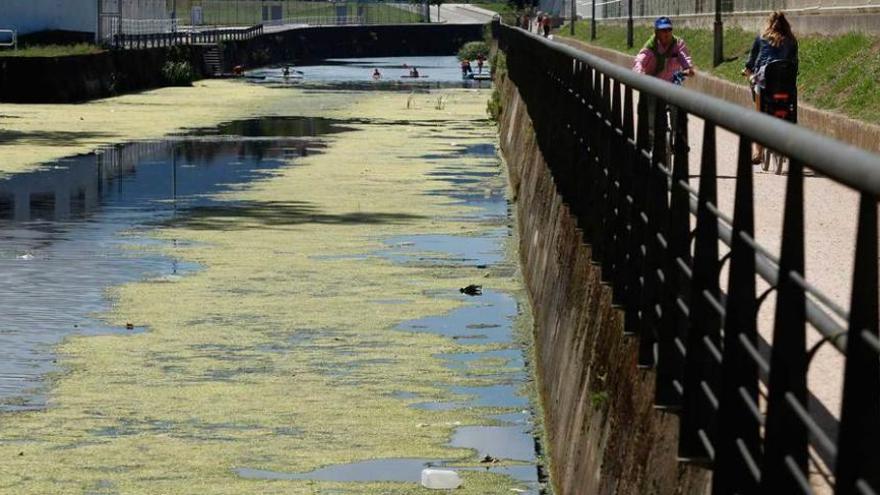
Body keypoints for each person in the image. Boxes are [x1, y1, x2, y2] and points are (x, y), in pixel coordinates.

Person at [743, 11, 798, 163]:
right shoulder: (792, 41)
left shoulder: (762, 38)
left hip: (765, 81)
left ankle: (758, 151)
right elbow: (795, 63)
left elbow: (752, 61)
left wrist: (747, 70)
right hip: (786, 83)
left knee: (759, 112)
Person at [633, 16, 694, 82]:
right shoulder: (651, 46)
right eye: (663, 30)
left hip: (671, 84)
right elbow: (639, 61)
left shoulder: (677, 44)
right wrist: (639, 73)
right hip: (652, 84)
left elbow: (685, 58)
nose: (667, 33)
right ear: (657, 33)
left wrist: (688, 68)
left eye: (669, 29)